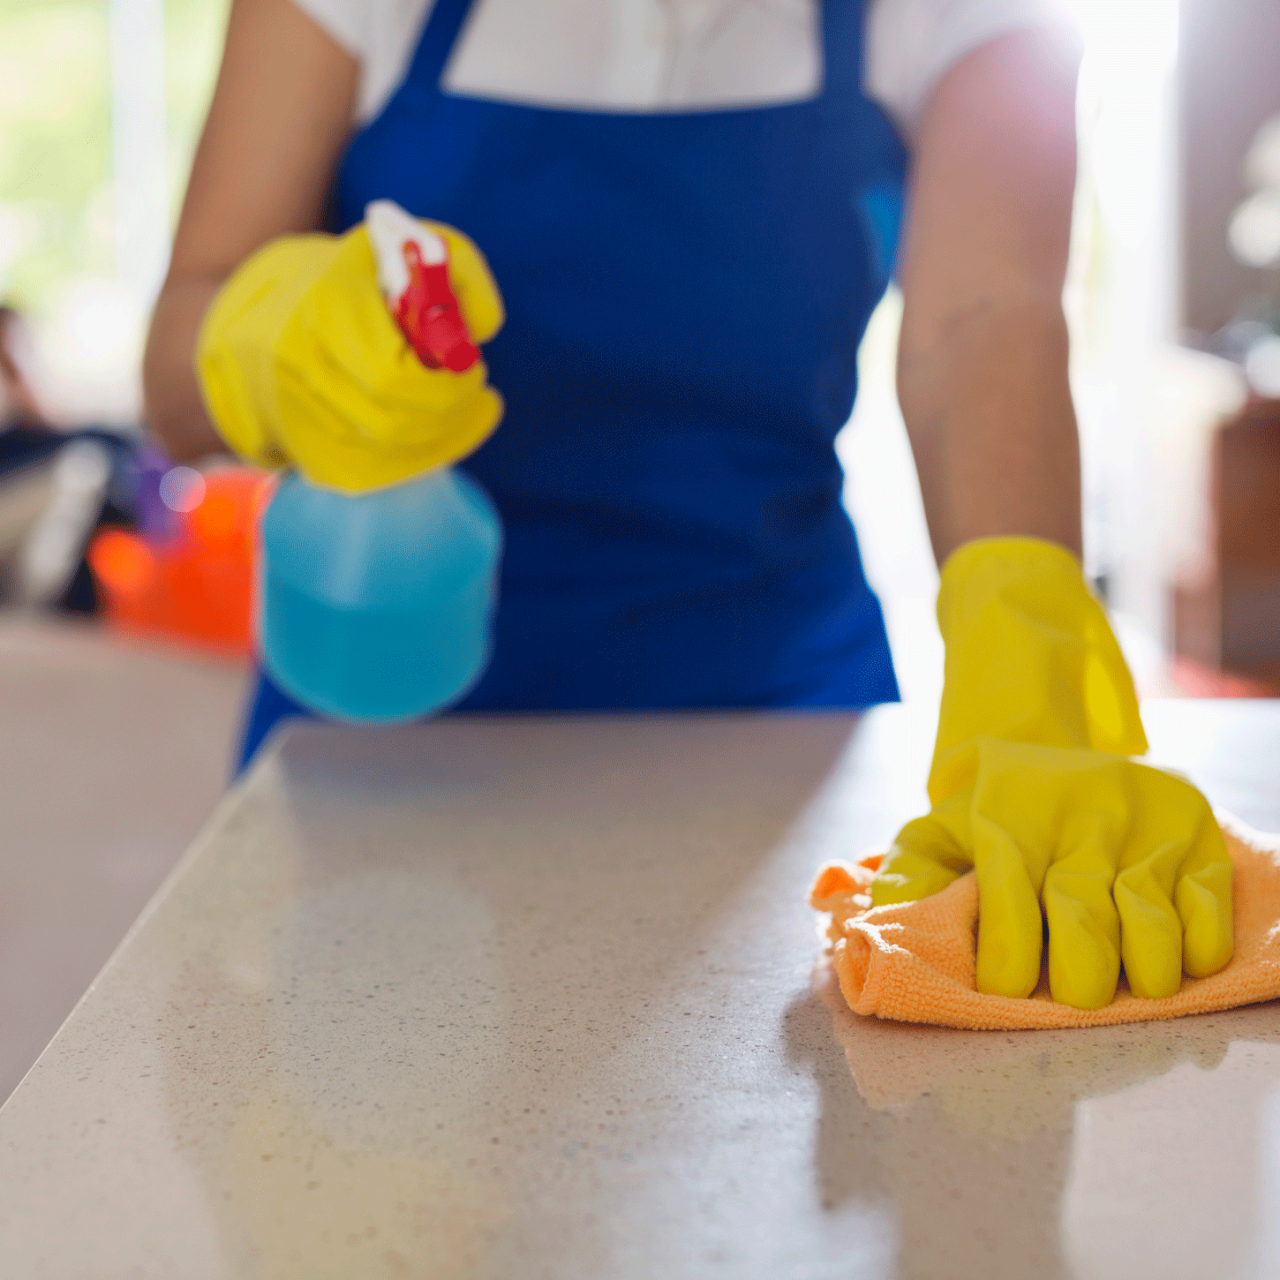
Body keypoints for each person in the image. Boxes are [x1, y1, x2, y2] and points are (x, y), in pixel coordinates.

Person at [143, 0, 1235, 1010]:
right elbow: (172, 370)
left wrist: (1024, 640)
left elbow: (981, 316)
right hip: (383, 716)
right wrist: (270, 340)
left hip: (780, 730)